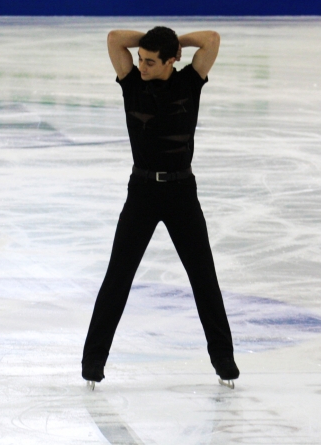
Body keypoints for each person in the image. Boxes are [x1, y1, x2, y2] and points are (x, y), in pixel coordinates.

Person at [81, 26, 239, 388]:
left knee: (203, 278)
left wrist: (174, 43)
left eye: (151, 61)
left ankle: (224, 361)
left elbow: (212, 39)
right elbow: (113, 38)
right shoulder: (131, 82)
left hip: (182, 191)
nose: (142, 65)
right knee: (117, 278)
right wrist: (155, 41)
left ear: (173, 61)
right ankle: (92, 363)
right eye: (141, 59)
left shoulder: (190, 82)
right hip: (141, 193)